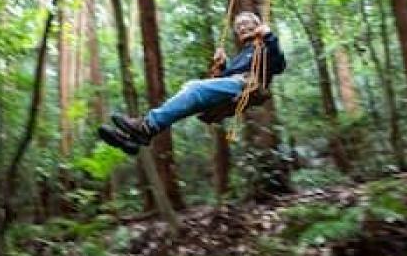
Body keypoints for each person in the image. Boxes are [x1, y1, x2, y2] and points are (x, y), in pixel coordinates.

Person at [98, 11, 287, 155]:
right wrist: (223, 65)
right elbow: (230, 75)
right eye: (238, 26)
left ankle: (145, 126)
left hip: (248, 85)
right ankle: (134, 138)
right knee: (187, 99)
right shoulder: (244, 54)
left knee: (193, 88)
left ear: (258, 25)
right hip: (234, 85)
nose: (242, 28)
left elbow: (279, 65)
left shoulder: (264, 46)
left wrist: (269, 35)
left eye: (246, 24)